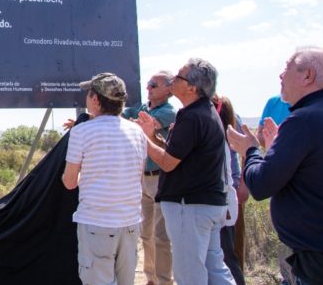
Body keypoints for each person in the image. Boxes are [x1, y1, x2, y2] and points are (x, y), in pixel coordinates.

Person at [227, 46, 323, 284]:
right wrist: (277, 150)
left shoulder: (303, 120)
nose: (280, 76)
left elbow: (261, 185)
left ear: (308, 76)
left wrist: (250, 149)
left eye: (286, 68)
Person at [137, 58, 235, 285]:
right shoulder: (204, 112)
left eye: (178, 77)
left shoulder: (191, 117)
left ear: (192, 87)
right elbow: (178, 154)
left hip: (189, 207)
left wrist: (142, 138)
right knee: (214, 269)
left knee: (190, 273)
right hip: (206, 205)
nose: (173, 80)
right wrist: (152, 136)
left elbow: (168, 163)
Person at [62, 72, 147, 285]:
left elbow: (70, 182)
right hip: (130, 223)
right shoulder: (137, 132)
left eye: (89, 93)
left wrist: (88, 176)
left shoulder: (81, 132)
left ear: (96, 99)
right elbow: (138, 175)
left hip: (96, 223)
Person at [122, 71, 176, 285]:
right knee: (146, 234)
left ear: (168, 89)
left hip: (159, 179)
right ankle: (151, 278)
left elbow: (137, 126)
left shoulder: (169, 113)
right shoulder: (143, 108)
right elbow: (125, 116)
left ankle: (164, 280)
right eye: (149, 84)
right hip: (142, 177)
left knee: (161, 236)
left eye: (154, 85)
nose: (149, 88)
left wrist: (132, 121)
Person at [212, 95, 246, 285]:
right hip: (229, 194)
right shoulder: (233, 124)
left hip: (224, 195)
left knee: (226, 254)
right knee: (228, 253)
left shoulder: (220, 132)